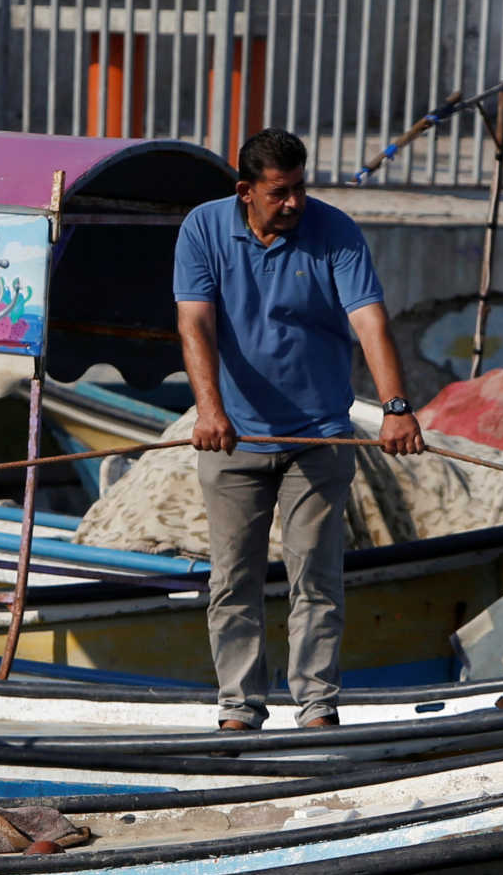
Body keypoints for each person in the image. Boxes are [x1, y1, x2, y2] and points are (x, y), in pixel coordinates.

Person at [175, 126, 425, 731]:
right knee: (233, 579)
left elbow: (369, 322)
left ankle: (316, 707)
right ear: (246, 192)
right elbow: (196, 326)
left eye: (301, 188)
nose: (294, 203)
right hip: (235, 437)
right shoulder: (204, 229)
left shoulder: (334, 230)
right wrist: (210, 411)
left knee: (315, 574)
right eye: (280, 192)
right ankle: (240, 708)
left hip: (318, 436)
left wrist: (395, 407)